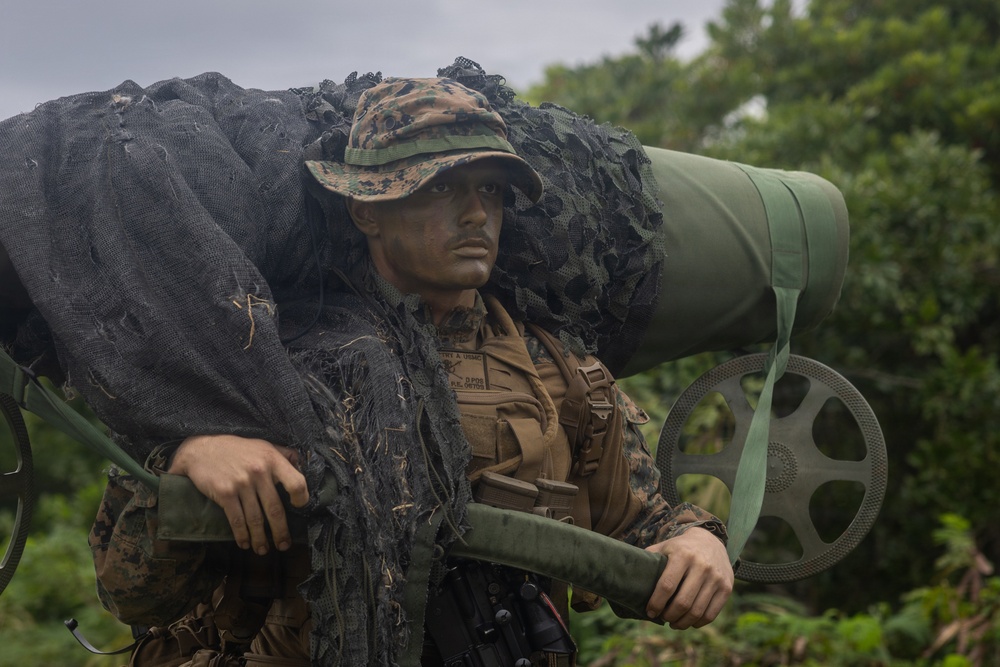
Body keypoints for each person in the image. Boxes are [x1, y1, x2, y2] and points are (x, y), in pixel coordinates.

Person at [90, 76, 733, 666]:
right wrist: (185, 457)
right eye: (441, 188)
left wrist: (699, 547)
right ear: (366, 208)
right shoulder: (261, 361)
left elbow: (648, 528)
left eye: (490, 190)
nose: (478, 214)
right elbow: (133, 597)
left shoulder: (562, 375)